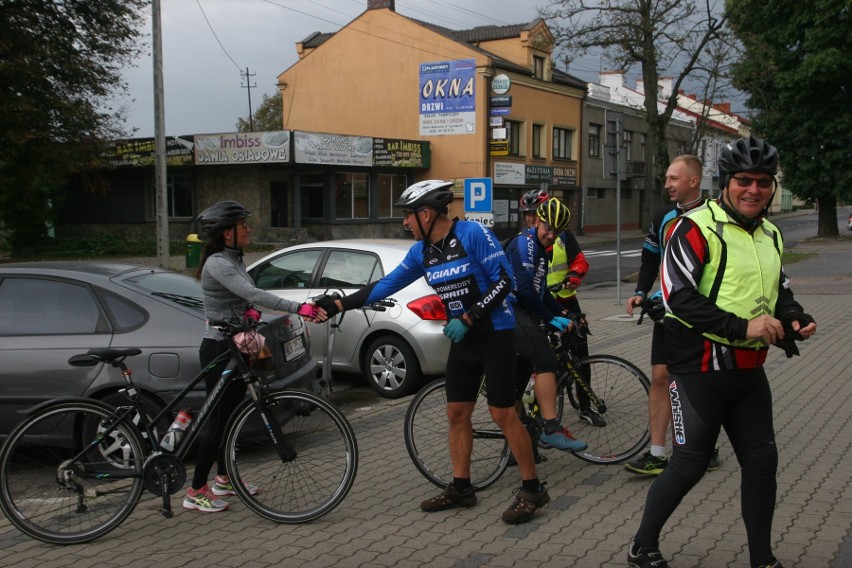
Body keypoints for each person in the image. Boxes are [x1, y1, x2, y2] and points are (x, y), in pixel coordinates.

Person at [627, 137, 817, 568]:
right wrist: (742, 326)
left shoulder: (771, 232)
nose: (754, 190)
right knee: (689, 466)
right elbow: (679, 296)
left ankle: (762, 559)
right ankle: (642, 545)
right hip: (699, 368)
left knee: (763, 463)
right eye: (744, 181)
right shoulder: (694, 227)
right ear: (726, 182)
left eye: (763, 182)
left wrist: (794, 316)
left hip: (749, 369)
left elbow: (778, 288)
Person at [315, 180, 550, 524]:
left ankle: (533, 489)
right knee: (456, 413)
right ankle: (461, 487)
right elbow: (383, 285)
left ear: (426, 214)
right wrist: (338, 304)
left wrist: (469, 316)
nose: (405, 224)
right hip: (463, 340)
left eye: (408, 216)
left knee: (503, 414)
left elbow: (505, 282)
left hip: (495, 334)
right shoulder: (420, 253)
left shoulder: (471, 234)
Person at [186, 200, 324, 513]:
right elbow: (255, 294)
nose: (248, 229)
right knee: (217, 422)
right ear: (226, 233)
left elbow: (244, 298)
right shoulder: (219, 263)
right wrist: (299, 307)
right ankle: (195, 490)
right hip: (219, 349)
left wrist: (247, 311)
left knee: (231, 418)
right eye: (242, 225)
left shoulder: (232, 259)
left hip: (235, 346)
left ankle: (224, 479)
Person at [623, 155, 720, 475]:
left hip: (703, 315)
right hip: (668, 314)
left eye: (674, 179)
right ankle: (657, 452)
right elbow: (650, 259)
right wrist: (640, 291)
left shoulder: (716, 216)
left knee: (697, 382)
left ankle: (703, 447)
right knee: (661, 377)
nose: (667, 184)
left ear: (693, 181)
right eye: (667, 178)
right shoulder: (663, 217)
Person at [504, 197, 588, 451]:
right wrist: (552, 318)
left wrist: (566, 313)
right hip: (510, 310)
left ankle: (515, 446)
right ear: (537, 221)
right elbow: (526, 291)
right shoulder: (526, 244)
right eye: (548, 228)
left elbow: (541, 294)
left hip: (519, 311)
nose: (551, 235)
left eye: (557, 231)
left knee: (517, 387)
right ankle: (551, 428)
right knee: (546, 361)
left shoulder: (541, 251)